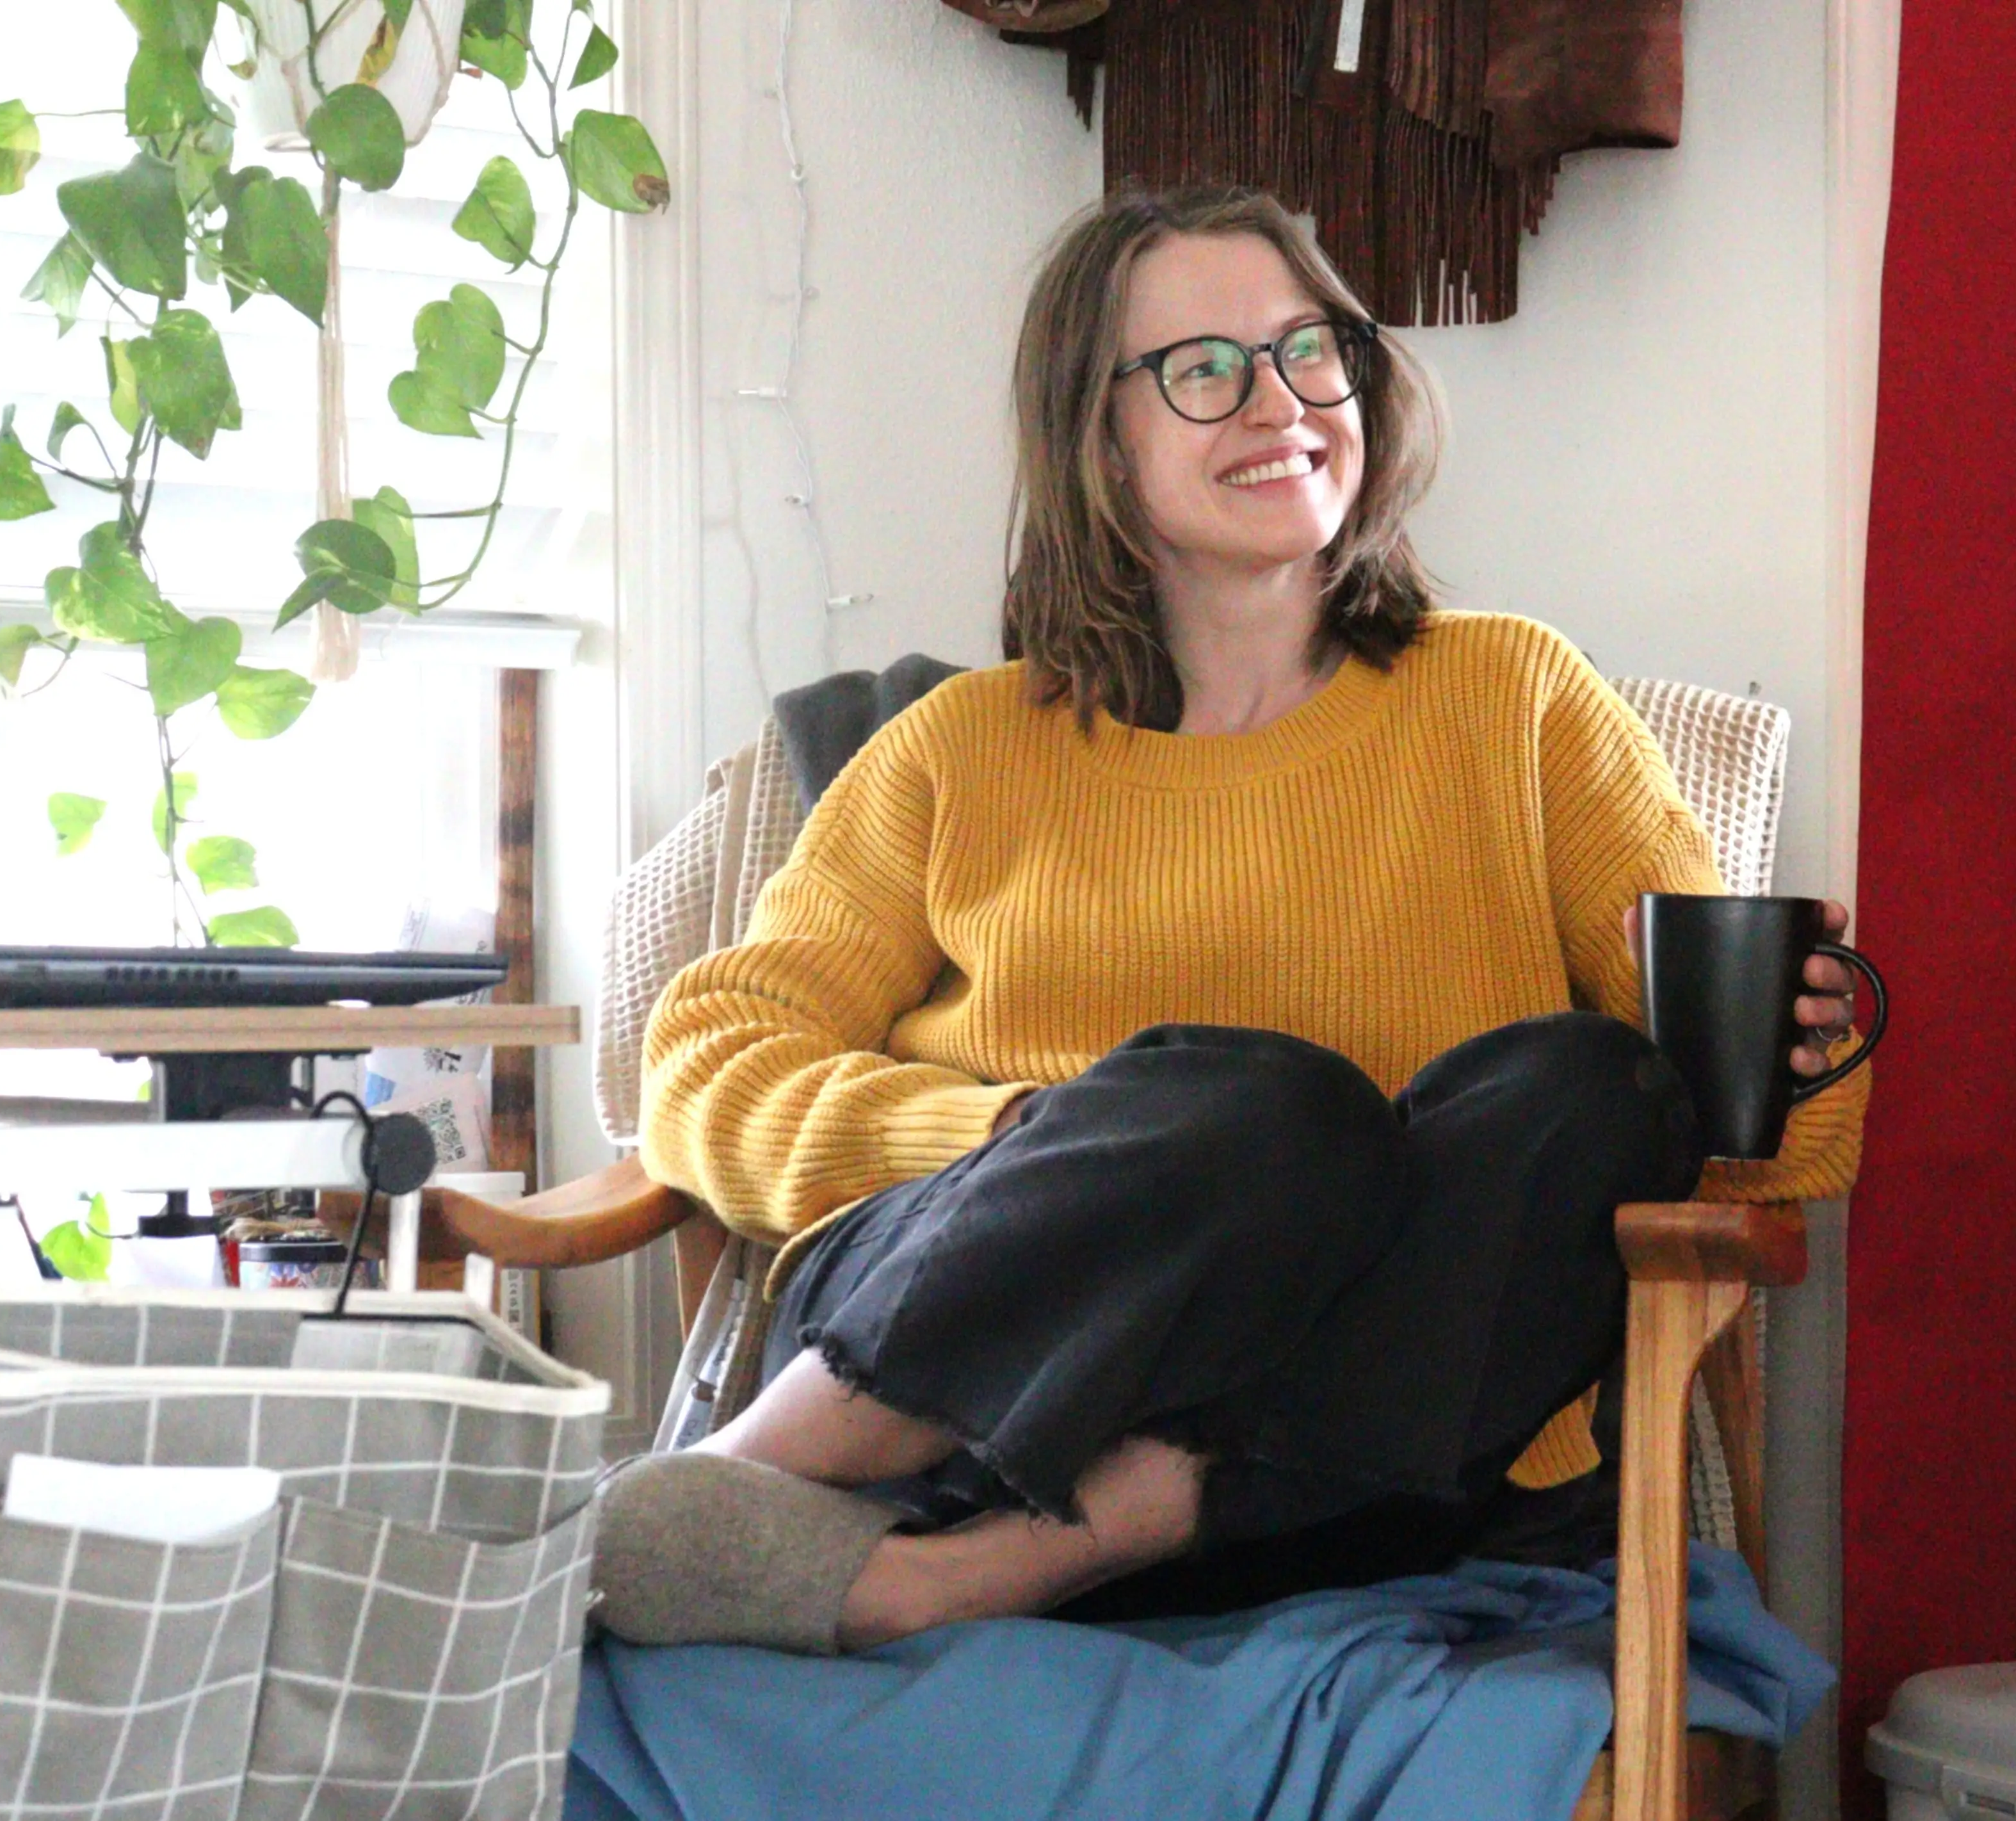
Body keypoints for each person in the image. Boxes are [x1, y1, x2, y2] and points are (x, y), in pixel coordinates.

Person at [595, 184, 1869, 1656]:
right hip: (975, 1398)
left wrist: (1798, 1041)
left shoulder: (1516, 699)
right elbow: (701, 1057)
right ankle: (766, 1477)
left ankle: (991, 1572)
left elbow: (1756, 1144)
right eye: (1202, 370)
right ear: (1099, 436)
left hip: (1343, 1473)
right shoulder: (961, 746)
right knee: (1257, 1103)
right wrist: (1000, 1137)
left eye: (1306, 350)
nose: (1276, 403)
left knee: (1595, 1088)